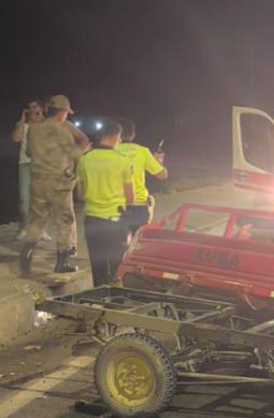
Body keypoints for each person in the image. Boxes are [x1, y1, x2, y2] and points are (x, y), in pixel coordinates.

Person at [21, 94, 88, 275]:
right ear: (63, 112)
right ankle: (62, 262)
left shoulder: (33, 129)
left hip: (38, 181)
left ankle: (25, 259)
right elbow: (75, 152)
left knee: (36, 221)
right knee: (65, 221)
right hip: (58, 182)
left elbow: (28, 151)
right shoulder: (62, 129)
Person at [76, 120, 133, 286]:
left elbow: (81, 195)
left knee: (98, 267)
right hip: (116, 220)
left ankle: (97, 300)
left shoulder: (84, 160)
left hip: (92, 220)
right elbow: (130, 197)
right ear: (115, 137)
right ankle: (114, 302)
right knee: (116, 267)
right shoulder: (122, 161)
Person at [114, 119, 168, 237]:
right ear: (133, 134)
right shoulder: (142, 151)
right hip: (138, 205)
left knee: (116, 245)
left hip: (113, 205)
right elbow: (162, 175)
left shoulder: (109, 152)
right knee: (138, 242)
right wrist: (159, 161)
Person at [10, 99, 45, 228]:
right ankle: (24, 227)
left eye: (36, 107)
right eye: (30, 108)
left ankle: (40, 229)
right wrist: (22, 119)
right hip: (25, 163)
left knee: (41, 201)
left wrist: (41, 118)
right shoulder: (23, 126)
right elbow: (16, 138)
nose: (33, 110)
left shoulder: (45, 125)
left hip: (41, 165)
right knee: (24, 201)